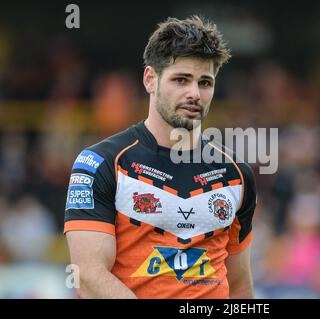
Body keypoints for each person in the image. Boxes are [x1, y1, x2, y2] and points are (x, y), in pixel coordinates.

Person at [64, 15, 257, 299]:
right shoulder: (100, 163)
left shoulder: (236, 174)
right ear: (150, 79)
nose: (194, 93)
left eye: (205, 82)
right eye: (181, 79)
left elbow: (240, 285)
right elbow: (89, 278)